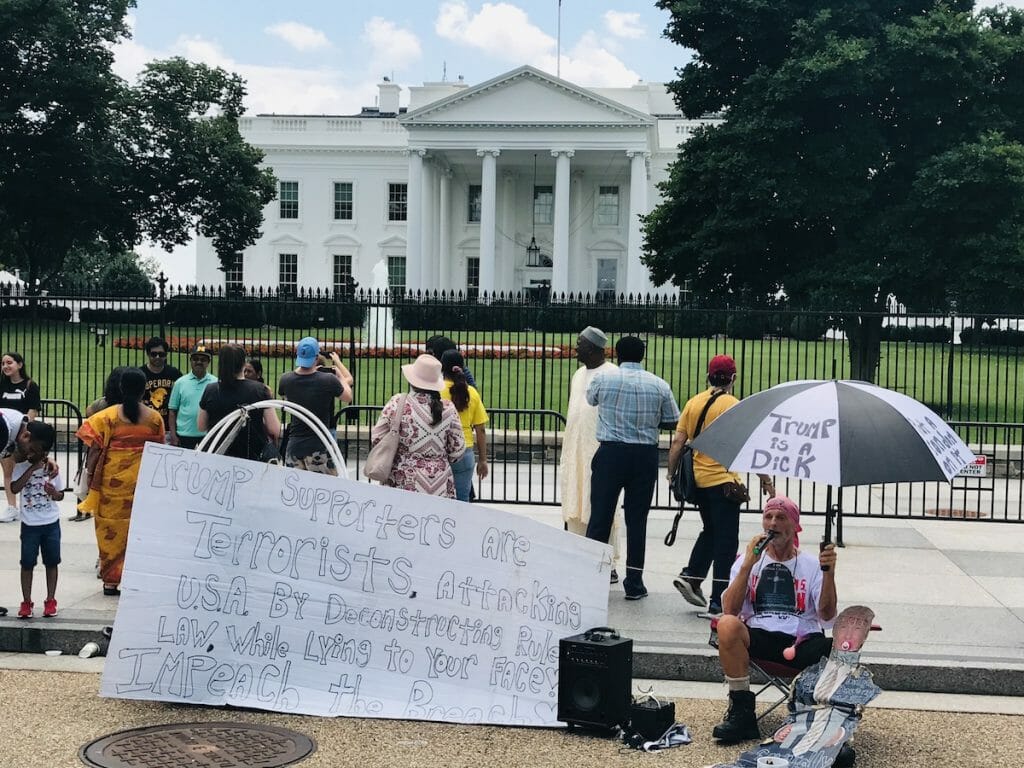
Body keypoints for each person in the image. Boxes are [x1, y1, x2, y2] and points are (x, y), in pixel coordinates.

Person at [712, 495, 837, 743]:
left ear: (795, 526)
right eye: (768, 517)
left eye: (781, 518)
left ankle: (823, 718)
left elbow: (827, 616)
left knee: (843, 645)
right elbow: (730, 610)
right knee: (726, 624)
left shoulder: (812, 564)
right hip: (760, 636)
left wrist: (829, 574)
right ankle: (741, 713)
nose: (772, 523)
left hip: (801, 641)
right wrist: (747, 565)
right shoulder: (748, 561)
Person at [667, 355, 775, 618]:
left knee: (711, 530)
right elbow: (749, 445)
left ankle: (692, 575)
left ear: (708, 376)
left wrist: (671, 475)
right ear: (733, 378)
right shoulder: (732, 405)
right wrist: (765, 478)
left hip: (699, 482)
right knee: (726, 541)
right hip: (723, 482)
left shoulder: (694, 402)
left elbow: (678, 443)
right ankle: (719, 600)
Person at [585, 335, 680, 600]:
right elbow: (673, 420)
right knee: (637, 520)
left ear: (616, 354)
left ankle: (593, 577)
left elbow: (591, 400)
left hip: (611, 451)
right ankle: (635, 582)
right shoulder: (658, 384)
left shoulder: (604, 379)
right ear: (643, 356)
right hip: (643, 454)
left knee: (600, 518)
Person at [76, 368, 164, 596]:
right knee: (138, 531)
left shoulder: (106, 418)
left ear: (121, 388)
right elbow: (160, 452)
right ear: (145, 389)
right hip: (141, 485)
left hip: (110, 485)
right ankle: (136, 577)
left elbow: (94, 451)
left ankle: (111, 582)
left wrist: (89, 476)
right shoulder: (155, 419)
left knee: (109, 531)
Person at [559, 326, 624, 582]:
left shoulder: (612, 373)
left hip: (599, 451)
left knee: (601, 507)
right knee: (576, 501)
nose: (576, 348)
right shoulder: (578, 374)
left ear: (594, 349)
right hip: (576, 449)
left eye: (580, 344)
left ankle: (607, 564)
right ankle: (579, 556)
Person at [371, 354, 465, 497]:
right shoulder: (449, 409)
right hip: (440, 482)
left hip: (402, 478)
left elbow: (377, 438)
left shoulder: (397, 403)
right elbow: (458, 450)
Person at [9, 422, 63, 619]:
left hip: (50, 522)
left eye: (35, 449)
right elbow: (14, 488)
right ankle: (26, 601)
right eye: (30, 447)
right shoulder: (21, 465)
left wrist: (54, 492)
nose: (30, 452)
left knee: (52, 562)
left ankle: (50, 599)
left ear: (44, 450)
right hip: (30, 524)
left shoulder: (52, 468)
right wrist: (31, 470)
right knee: (27, 563)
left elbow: (60, 495)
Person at [277, 337, 353, 475]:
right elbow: (348, 397)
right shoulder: (328, 380)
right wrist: (339, 376)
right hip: (319, 445)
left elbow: (285, 398)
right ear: (317, 357)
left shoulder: (285, 379)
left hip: (295, 444)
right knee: (323, 491)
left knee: (294, 490)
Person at [199, 344, 282, 461]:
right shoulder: (260, 390)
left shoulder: (210, 390)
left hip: (218, 455)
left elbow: (201, 426)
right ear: (244, 363)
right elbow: (275, 429)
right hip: (251, 457)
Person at [440, 349, 488, 501]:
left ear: (442, 368)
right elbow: (481, 430)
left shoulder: (436, 390)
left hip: (441, 448)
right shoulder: (471, 392)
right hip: (465, 449)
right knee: (462, 500)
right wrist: (483, 460)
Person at [1, 352, 40, 521]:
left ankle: (30, 504)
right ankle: (11, 506)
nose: (5, 366)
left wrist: (22, 431)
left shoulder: (30, 385)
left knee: (26, 471)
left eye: (9, 362)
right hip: (5, 434)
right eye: (3, 364)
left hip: (23, 435)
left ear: (20, 365)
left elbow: (32, 411)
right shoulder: (1, 385)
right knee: (8, 471)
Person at [168, 343, 216, 449]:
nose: (199, 362)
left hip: (207, 436)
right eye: (195, 359)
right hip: (184, 436)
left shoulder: (215, 383)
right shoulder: (180, 383)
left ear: (208, 362)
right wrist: (173, 435)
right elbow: (172, 411)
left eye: (203, 359)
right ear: (190, 361)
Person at [140, 336, 182, 437]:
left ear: (166, 355)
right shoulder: (140, 374)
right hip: (146, 427)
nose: (157, 357)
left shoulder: (174, 374)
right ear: (148, 354)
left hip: (169, 428)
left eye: (161, 354)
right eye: (154, 354)